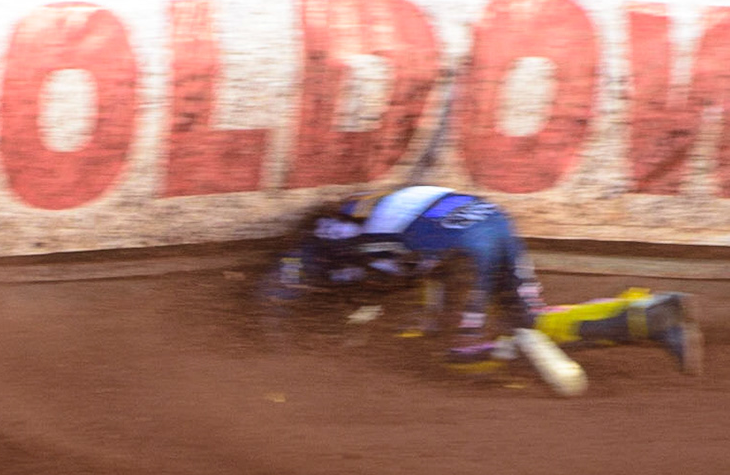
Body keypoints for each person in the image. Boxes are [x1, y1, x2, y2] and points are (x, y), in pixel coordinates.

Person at [265, 186, 701, 379]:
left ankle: (510, 347)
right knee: (531, 319)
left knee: (458, 357)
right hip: (490, 219)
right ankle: (648, 316)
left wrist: (281, 351)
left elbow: (277, 294)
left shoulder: (322, 245)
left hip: (456, 244)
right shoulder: (360, 215)